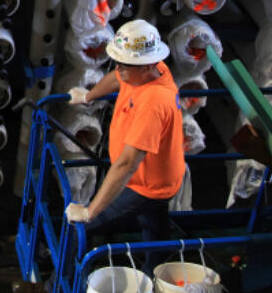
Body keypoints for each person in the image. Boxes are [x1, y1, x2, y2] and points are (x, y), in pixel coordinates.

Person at [64, 19, 185, 255]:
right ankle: (158, 272)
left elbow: (128, 163)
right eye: (118, 63)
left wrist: (90, 213)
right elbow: (115, 78)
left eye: (126, 66)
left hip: (145, 185)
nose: (119, 69)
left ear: (148, 65)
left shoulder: (154, 102)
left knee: (80, 229)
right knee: (155, 230)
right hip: (156, 176)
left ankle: (54, 287)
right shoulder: (142, 71)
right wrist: (89, 96)